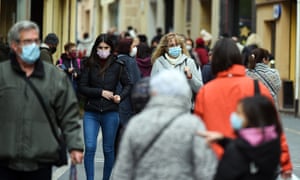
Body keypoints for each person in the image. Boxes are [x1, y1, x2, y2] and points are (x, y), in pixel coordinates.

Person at [193, 38, 293, 178]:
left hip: (216, 164)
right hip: (253, 163)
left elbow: (198, 132)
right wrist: (285, 164)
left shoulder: (205, 92)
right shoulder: (257, 88)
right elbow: (274, 128)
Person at [0, 20, 83, 179]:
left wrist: (75, 146)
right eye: (27, 41)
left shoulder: (55, 77)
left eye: (35, 41)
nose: (32, 45)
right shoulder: (3, 75)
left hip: (41, 161)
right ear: (14, 45)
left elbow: (69, 115)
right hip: (5, 161)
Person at [111, 69, 217, 180]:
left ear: (153, 92)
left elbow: (122, 171)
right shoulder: (193, 126)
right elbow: (206, 171)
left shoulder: (136, 124)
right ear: (184, 93)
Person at [78, 33, 132, 180]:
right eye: (100, 47)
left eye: (106, 47)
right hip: (91, 112)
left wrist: (120, 96)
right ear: (96, 48)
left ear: (111, 48)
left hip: (110, 112)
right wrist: (101, 92)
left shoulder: (118, 65)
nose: (103, 50)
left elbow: (128, 84)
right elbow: (82, 87)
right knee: (89, 147)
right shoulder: (89, 64)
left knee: (108, 149)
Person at [198, 95, 282, 180]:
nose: (234, 116)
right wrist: (223, 140)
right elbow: (248, 150)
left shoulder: (236, 150)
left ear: (252, 119)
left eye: (239, 113)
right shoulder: (272, 141)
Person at [151, 32, 203, 108]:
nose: (175, 47)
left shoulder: (189, 62)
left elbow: (200, 88)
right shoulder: (159, 63)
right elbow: (152, 87)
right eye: (171, 45)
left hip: (184, 109)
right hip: (164, 108)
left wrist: (190, 77)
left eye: (177, 45)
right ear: (166, 48)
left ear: (181, 46)